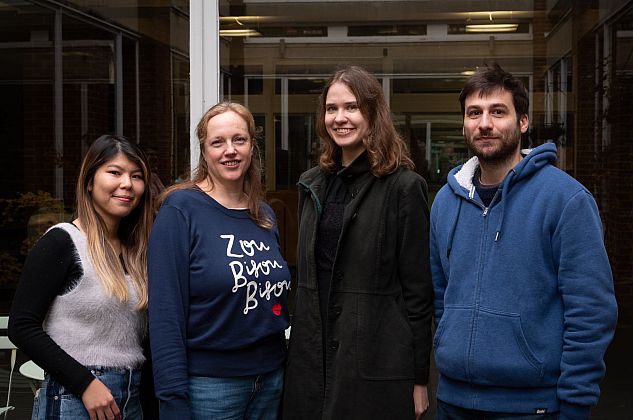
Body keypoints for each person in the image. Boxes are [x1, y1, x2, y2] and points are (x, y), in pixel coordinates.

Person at [430, 63, 618, 419]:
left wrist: (576, 404)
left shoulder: (566, 200)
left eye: (498, 111)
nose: (485, 123)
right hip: (453, 402)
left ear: (523, 122)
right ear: (465, 124)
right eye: (474, 113)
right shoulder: (445, 202)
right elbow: (442, 294)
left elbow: (591, 311)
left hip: (532, 407)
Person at [282, 65, 433, 419]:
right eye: (331, 109)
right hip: (310, 368)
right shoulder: (311, 184)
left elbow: (418, 292)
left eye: (351, 107)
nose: (340, 118)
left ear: (372, 113)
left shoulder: (404, 187)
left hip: (374, 368)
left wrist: (420, 379)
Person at [148, 102, 290, 419]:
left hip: (271, 379)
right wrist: (172, 401)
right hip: (210, 387)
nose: (230, 151)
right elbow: (165, 316)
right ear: (204, 151)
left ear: (253, 146)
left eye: (239, 140)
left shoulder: (263, 214)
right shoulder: (180, 209)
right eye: (218, 142)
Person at [9, 134, 153, 419]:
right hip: (75, 397)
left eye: (136, 176)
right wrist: (85, 384)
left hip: (131, 397)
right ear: (89, 181)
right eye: (115, 172)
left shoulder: (137, 253)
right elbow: (21, 326)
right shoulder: (63, 241)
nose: (127, 184)